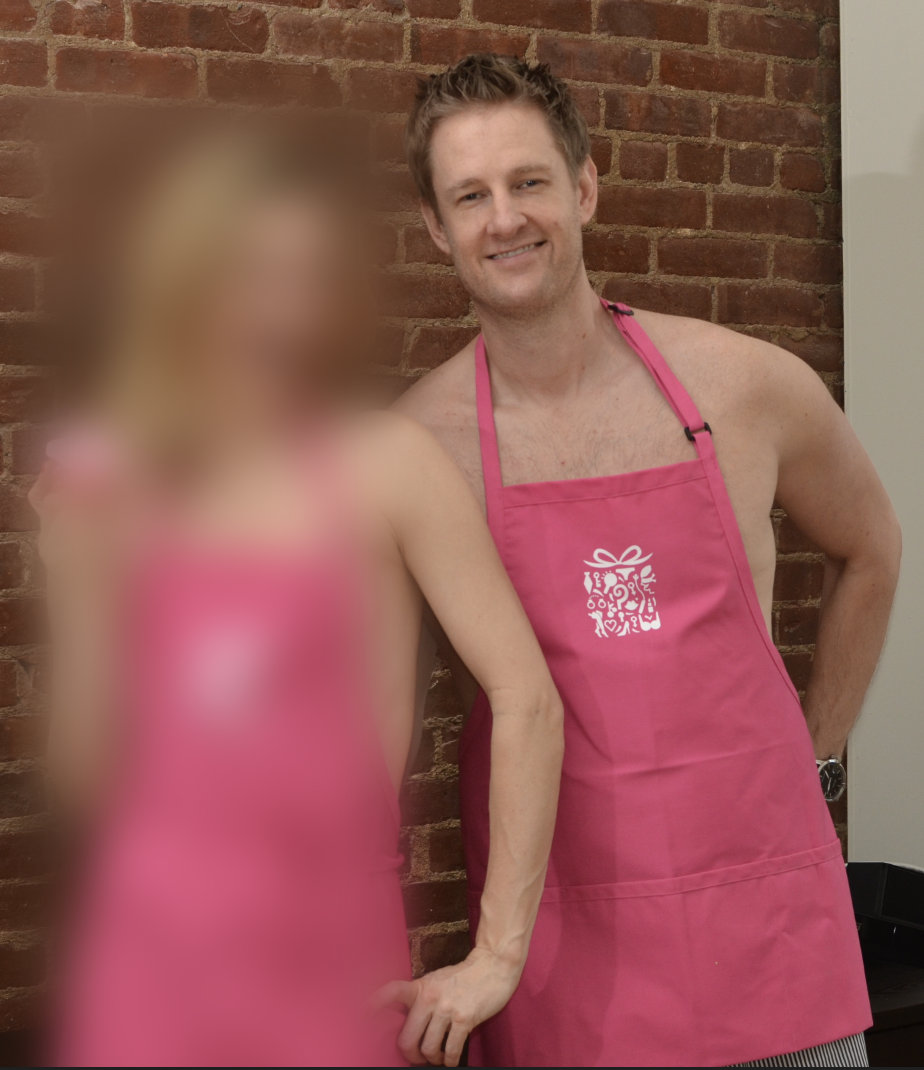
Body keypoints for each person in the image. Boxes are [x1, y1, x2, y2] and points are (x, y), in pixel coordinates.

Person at [395, 54, 901, 1068]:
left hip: (773, 940)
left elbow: (872, 547)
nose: (506, 218)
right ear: (436, 228)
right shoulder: (416, 449)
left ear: (584, 187)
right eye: (471, 195)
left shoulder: (749, 383)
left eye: (530, 181)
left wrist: (818, 758)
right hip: (562, 958)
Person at [32, 123, 563, 1067]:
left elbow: (527, 696)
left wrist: (497, 952)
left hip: (331, 959)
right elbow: (93, 781)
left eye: (301, 276)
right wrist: (76, 592)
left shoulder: (385, 464)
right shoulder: (134, 492)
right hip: (146, 967)